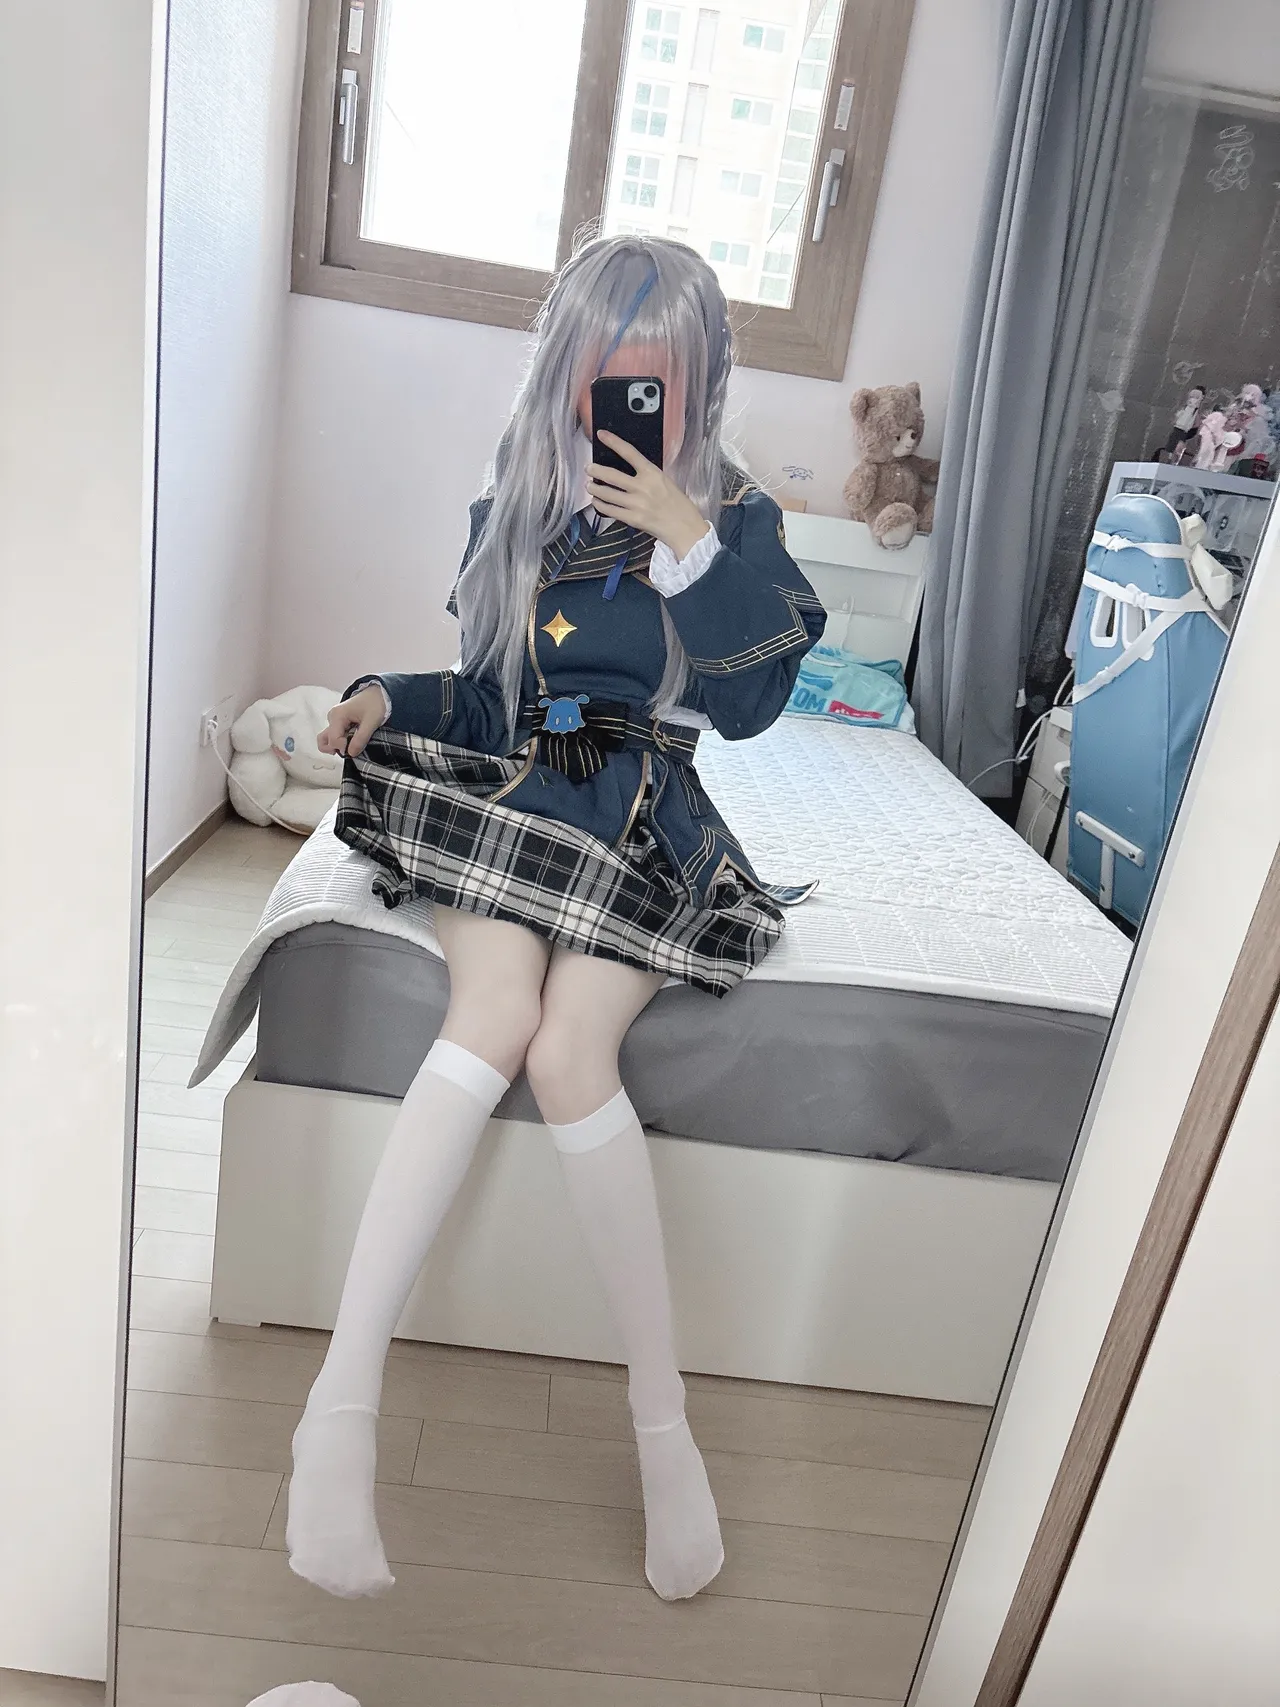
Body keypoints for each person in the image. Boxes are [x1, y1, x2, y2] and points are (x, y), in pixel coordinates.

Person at [285, 235, 825, 1605]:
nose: (628, 395)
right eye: (605, 367)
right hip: (523, 789)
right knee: (493, 1012)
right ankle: (338, 1410)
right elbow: (486, 697)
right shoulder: (516, 504)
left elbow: (755, 705)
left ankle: (663, 1434)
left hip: (644, 812)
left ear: (702, 379)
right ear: (566, 367)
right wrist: (384, 698)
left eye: (660, 374)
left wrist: (689, 536)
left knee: (574, 1051)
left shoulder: (735, 520)